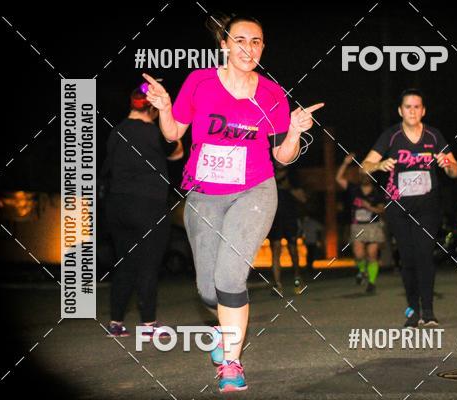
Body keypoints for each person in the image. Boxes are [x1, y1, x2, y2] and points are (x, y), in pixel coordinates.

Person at [142, 14, 324, 392]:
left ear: (263, 47)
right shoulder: (200, 82)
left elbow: (283, 156)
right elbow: (173, 133)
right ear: (224, 44)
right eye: (240, 40)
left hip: (254, 191)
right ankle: (222, 328)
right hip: (204, 194)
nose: (248, 48)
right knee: (208, 291)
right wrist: (164, 107)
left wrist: (293, 131)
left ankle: (231, 362)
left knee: (229, 278)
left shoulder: (272, 93)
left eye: (256, 41)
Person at [362, 89, 457, 328]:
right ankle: (413, 311)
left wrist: (447, 164)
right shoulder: (391, 136)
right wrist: (379, 165)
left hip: (427, 206)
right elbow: (364, 166)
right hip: (398, 207)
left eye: (417, 107)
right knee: (407, 258)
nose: (412, 111)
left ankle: (429, 311)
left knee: (424, 255)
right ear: (400, 111)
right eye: (408, 107)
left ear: (423, 111)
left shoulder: (434, 136)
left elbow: (455, 171)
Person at [101, 85, 183, 338]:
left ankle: (116, 323)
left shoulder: (116, 131)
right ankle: (148, 325)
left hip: (117, 205)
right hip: (148, 204)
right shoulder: (156, 133)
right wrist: (169, 124)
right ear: (153, 108)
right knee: (149, 263)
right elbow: (178, 153)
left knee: (125, 262)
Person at [336, 152, 386, 293]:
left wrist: (368, 207)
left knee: (372, 254)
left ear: (371, 176)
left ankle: (371, 282)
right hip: (357, 225)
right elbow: (338, 179)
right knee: (358, 254)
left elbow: (381, 210)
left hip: (373, 226)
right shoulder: (353, 189)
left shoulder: (377, 192)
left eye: (367, 174)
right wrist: (345, 163)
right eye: (363, 174)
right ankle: (362, 271)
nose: (365, 177)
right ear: (360, 176)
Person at [268, 166, 308, 296]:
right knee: (276, 249)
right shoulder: (269, 177)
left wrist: (289, 188)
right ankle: (277, 284)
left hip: (290, 218)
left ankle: (297, 279)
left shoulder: (292, 178)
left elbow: (303, 199)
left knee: (293, 249)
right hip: (275, 219)